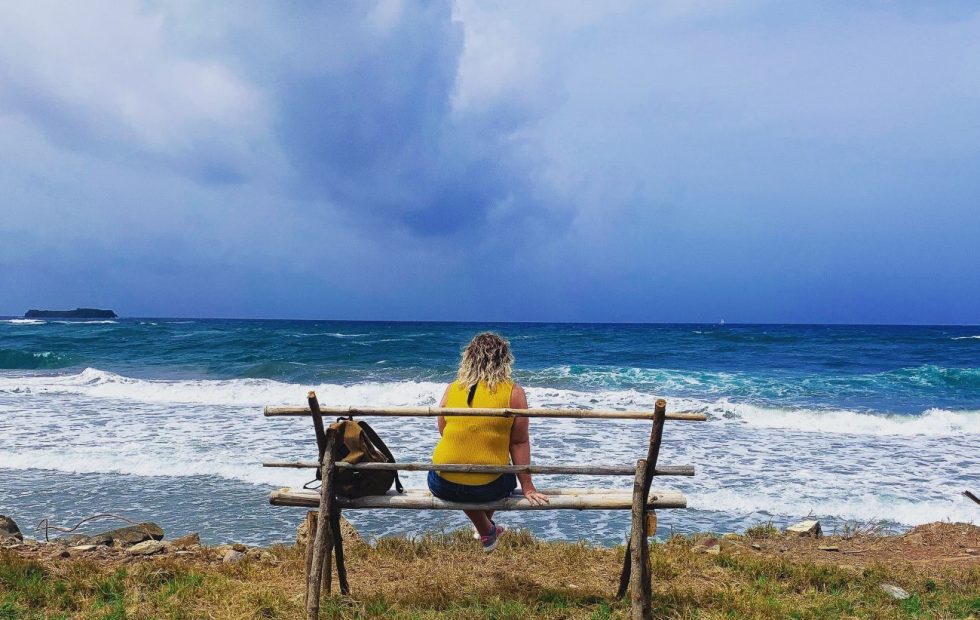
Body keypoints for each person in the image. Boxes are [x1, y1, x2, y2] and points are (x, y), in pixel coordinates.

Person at [429, 332, 549, 552]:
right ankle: (486, 530)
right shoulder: (513, 392)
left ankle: (485, 530)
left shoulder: (452, 388)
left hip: (442, 483)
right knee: (504, 481)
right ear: (504, 359)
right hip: (487, 489)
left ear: (468, 358)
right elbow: (519, 442)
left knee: (464, 483)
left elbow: (443, 430)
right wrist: (528, 487)